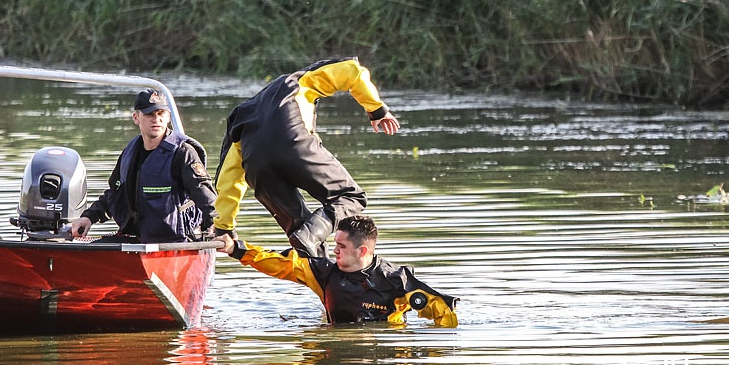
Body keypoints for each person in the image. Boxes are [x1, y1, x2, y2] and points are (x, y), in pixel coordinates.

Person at [213, 57, 401, 257]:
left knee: (301, 234)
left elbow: (228, 177)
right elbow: (352, 70)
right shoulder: (296, 81)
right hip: (294, 144)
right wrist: (376, 109)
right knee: (350, 197)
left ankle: (322, 275)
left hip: (257, 169)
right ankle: (310, 236)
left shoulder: (240, 116)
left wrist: (224, 228)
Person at [217, 214, 458, 327]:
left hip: (385, 343)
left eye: (341, 246)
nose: (334, 251)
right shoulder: (323, 273)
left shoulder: (395, 280)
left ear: (362, 251)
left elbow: (441, 309)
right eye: (335, 244)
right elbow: (279, 263)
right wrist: (237, 249)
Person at [69, 89, 218, 243]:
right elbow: (115, 194)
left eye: (161, 114)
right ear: (136, 117)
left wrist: (217, 225)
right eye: (150, 114)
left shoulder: (183, 152)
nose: (156, 119)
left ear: (168, 117)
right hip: (137, 240)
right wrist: (89, 217)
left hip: (176, 242)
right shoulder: (130, 151)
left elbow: (203, 191)